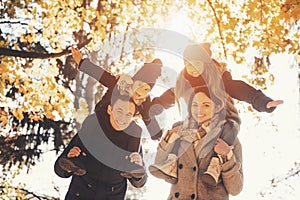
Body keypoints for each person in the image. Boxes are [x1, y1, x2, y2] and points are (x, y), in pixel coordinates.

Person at [171, 43, 283, 186]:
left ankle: (216, 164)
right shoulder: (183, 82)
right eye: (188, 64)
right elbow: (168, 97)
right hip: (197, 119)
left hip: (223, 117)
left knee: (230, 127)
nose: (192, 69)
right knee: (177, 128)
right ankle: (171, 162)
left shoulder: (219, 75)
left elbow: (238, 88)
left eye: (197, 64)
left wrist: (262, 101)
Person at [149, 86, 243, 200]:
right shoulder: (180, 131)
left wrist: (228, 155)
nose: (199, 110)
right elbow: (159, 165)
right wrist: (169, 138)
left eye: (206, 105)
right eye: (195, 105)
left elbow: (235, 189)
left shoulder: (229, 139)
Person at [54, 92, 147, 199]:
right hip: (81, 193)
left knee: (133, 168)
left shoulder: (133, 138)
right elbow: (59, 168)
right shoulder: (92, 125)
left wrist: (139, 167)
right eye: (119, 111)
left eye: (128, 114)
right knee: (77, 159)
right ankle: (76, 163)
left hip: (111, 195)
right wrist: (68, 161)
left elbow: (140, 182)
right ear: (110, 110)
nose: (123, 118)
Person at [71, 47, 175, 141]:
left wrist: (156, 131)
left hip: (117, 131)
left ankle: (173, 96)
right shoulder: (120, 84)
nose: (141, 91)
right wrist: (81, 62)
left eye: (146, 89)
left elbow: (153, 129)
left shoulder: (143, 103)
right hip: (101, 119)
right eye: (139, 85)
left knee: (138, 126)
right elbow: (102, 76)